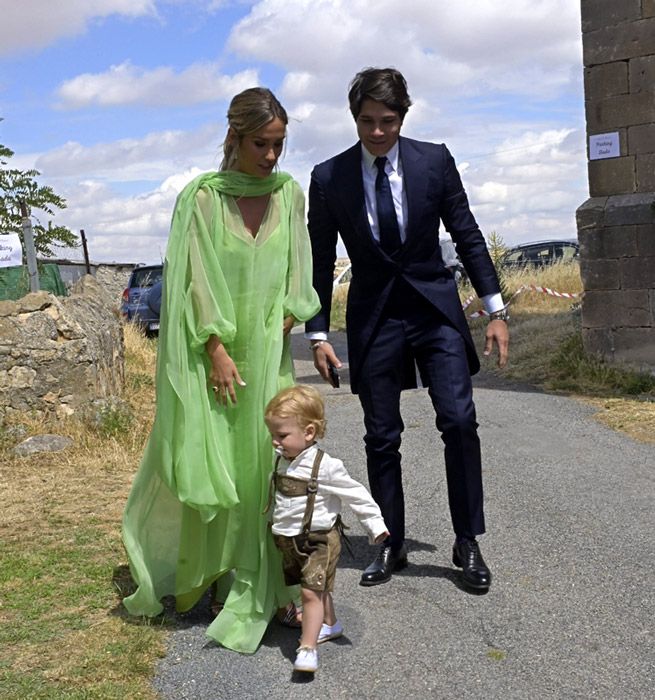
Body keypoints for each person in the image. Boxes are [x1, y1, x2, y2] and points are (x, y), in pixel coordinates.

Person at [121, 87, 321, 654]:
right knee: (218, 465)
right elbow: (194, 281)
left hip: (269, 353)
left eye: (280, 144)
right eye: (262, 143)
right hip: (216, 356)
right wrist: (215, 349)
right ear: (233, 137)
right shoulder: (201, 199)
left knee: (267, 465)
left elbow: (299, 267)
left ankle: (265, 582)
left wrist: (289, 314)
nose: (272, 156)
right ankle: (213, 577)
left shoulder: (289, 195)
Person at [305, 68, 509, 591]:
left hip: (434, 311)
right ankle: (389, 541)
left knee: (459, 420)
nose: (378, 132)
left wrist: (496, 309)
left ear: (403, 117)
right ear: (354, 119)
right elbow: (320, 258)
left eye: (388, 121)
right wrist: (319, 335)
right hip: (374, 317)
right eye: (368, 121)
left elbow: (466, 233)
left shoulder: (434, 161)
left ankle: (467, 540)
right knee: (381, 435)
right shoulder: (329, 178)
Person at [264, 384, 389, 673]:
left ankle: (307, 649)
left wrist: (375, 526)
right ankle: (331, 625)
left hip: (319, 541)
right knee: (317, 589)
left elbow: (356, 494)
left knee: (309, 594)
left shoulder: (327, 466)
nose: (275, 442)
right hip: (291, 540)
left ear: (308, 433)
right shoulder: (284, 460)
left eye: (281, 435)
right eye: (272, 435)